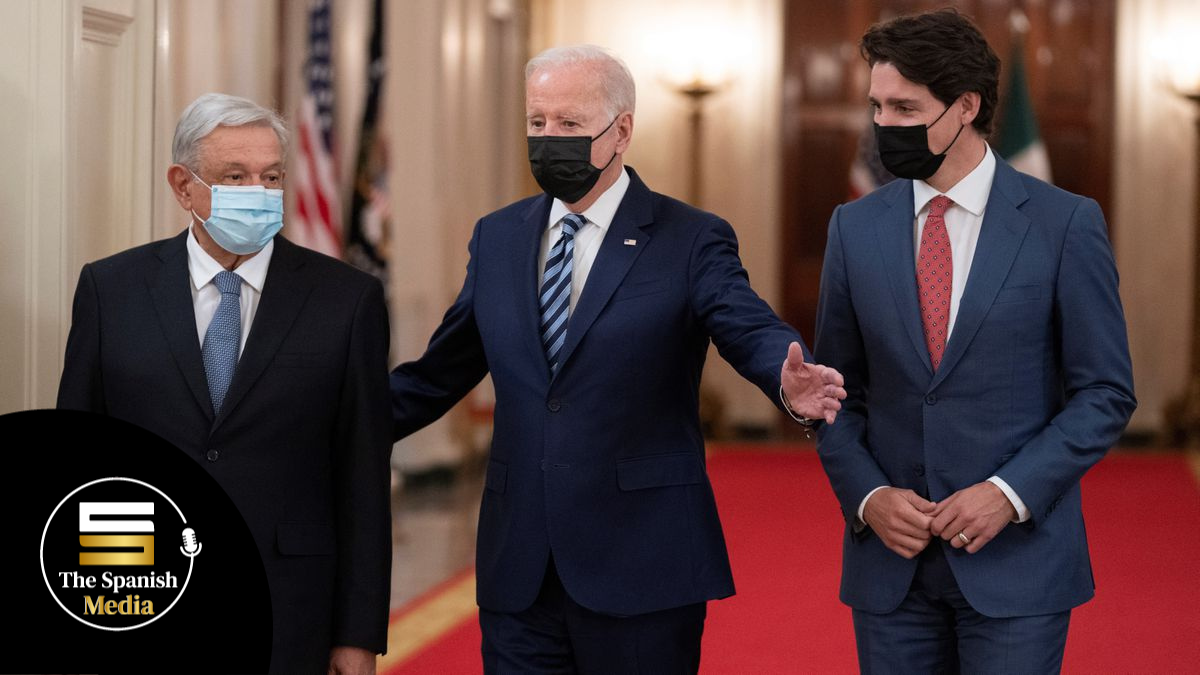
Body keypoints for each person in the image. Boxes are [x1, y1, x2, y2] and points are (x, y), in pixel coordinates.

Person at [389, 44, 846, 673]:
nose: (549, 139)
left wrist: (784, 377)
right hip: (519, 566)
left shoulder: (690, 237)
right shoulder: (498, 236)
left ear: (621, 131)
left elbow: (744, 322)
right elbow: (441, 371)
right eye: (537, 122)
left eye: (569, 123)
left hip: (642, 563)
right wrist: (334, 421)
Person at [813, 8, 1137, 673]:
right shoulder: (853, 227)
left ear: (965, 106)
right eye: (876, 106)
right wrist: (869, 496)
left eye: (905, 108)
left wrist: (1009, 492)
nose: (883, 125)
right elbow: (836, 394)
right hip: (891, 566)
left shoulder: (1065, 224)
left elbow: (1105, 392)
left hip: (1018, 565)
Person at [57, 93, 392, 675]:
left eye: (271, 177)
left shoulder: (347, 300)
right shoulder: (111, 291)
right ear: (183, 186)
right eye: (235, 177)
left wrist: (357, 634)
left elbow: (362, 477)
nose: (257, 192)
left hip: (290, 608)